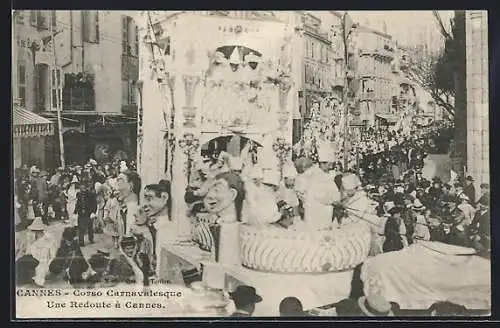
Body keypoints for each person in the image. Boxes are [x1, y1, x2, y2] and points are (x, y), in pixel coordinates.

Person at [142, 180, 174, 277]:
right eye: (145, 199)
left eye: (149, 198)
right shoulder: (154, 225)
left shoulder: (167, 230)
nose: (144, 204)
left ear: (164, 198)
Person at [116, 170, 141, 236]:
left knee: (130, 224)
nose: (119, 183)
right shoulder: (125, 191)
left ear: (131, 184)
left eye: (122, 181)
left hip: (131, 204)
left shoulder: (132, 202)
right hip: (127, 204)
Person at [74, 179, 98, 246]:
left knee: (90, 227)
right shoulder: (78, 194)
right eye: (81, 188)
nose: (82, 189)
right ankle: (81, 241)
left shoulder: (91, 194)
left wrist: (93, 212)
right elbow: (77, 203)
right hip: (81, 213)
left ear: (86, 187)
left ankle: (91, 238)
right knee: (81, 227)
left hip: (89, 213)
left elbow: (94, 204)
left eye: (84, 187)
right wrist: (75, 212)